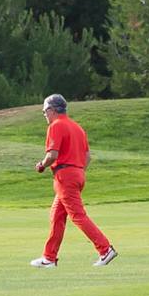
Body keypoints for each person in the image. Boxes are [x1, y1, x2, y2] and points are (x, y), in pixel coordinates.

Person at [29, 94, 115, 268]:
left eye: (45, 111)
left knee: (77, 216)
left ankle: (105, 249)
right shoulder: (77, 127)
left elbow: (52, 155)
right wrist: (77, 171)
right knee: (57, 215)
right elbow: (87, 157)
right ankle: (49, 257)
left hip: (65, 176)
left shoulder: (56, 126)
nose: (44, 114)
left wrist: (42, 166)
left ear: (52, 110)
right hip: (77, 173)